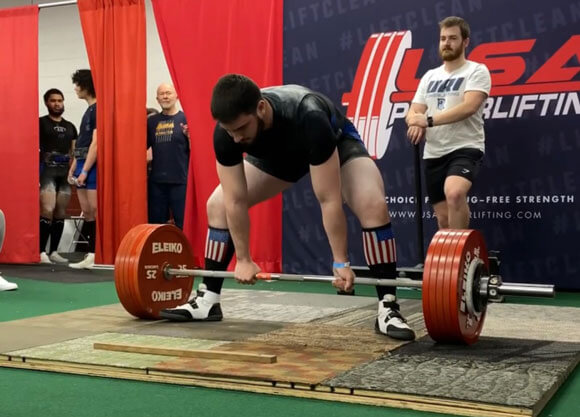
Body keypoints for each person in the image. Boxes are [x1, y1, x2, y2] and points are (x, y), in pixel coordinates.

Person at [160, 74, 416, 341]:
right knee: (218, 203)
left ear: (260, 108)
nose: (236, 138)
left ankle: (388, 306)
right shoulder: (227, 134)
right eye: (230, 131)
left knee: (372, 204)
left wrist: (341, 262)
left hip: (334, 143)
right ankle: (208, 299)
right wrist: (244, 259)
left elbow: (328, 199)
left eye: (242, 129)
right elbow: (235, 199)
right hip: (280, 157)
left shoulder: (309, 116)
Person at [406, 16, 491, 229]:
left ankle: (460, 258)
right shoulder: (429, 76)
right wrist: (414, 122)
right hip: (434, 152)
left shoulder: (477, 70)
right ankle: (453, 259)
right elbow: (414, 109)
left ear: (465, 42)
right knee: (443, 220)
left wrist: (428, 120)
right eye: (443, 38)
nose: (446, 43)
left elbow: (469, 106)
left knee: (454, 193)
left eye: (453, 38)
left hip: (465, 147)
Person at [38, 88, 78, 264]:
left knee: (61, 211)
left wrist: (74, 171)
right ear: (47, 103)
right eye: (53, 100)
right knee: (47, 208)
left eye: (60, 100)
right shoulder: (40, 123)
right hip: (47, 170)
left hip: (64, 173)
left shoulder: (70, 126)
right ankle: (40, 251)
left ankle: (54, 251)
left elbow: (75, 151)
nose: (57, 103)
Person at [146, 84, 190, 230]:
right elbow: (140, 149)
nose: (165, 96)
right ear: (157, 99)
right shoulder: (151, 122)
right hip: (157, 182)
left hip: (181, 181)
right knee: (155, 226)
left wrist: (190, 137)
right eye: (162, 94)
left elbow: (197, 152)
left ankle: (185, 253)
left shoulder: (186, 118)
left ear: (176, 96)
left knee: (183, 224)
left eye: (168, 93)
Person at [68, 70, 97, 269]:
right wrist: (74, 168)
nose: (75, 88)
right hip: (81, 162)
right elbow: (81, 143)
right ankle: (89, 253)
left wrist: (85, 170)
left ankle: (95, 253)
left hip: (91, 165)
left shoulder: (98, 109)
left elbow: (96, 143)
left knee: (95, 210)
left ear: (86, 85)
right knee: (86, 211)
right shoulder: (88, 110)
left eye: (77, 84)